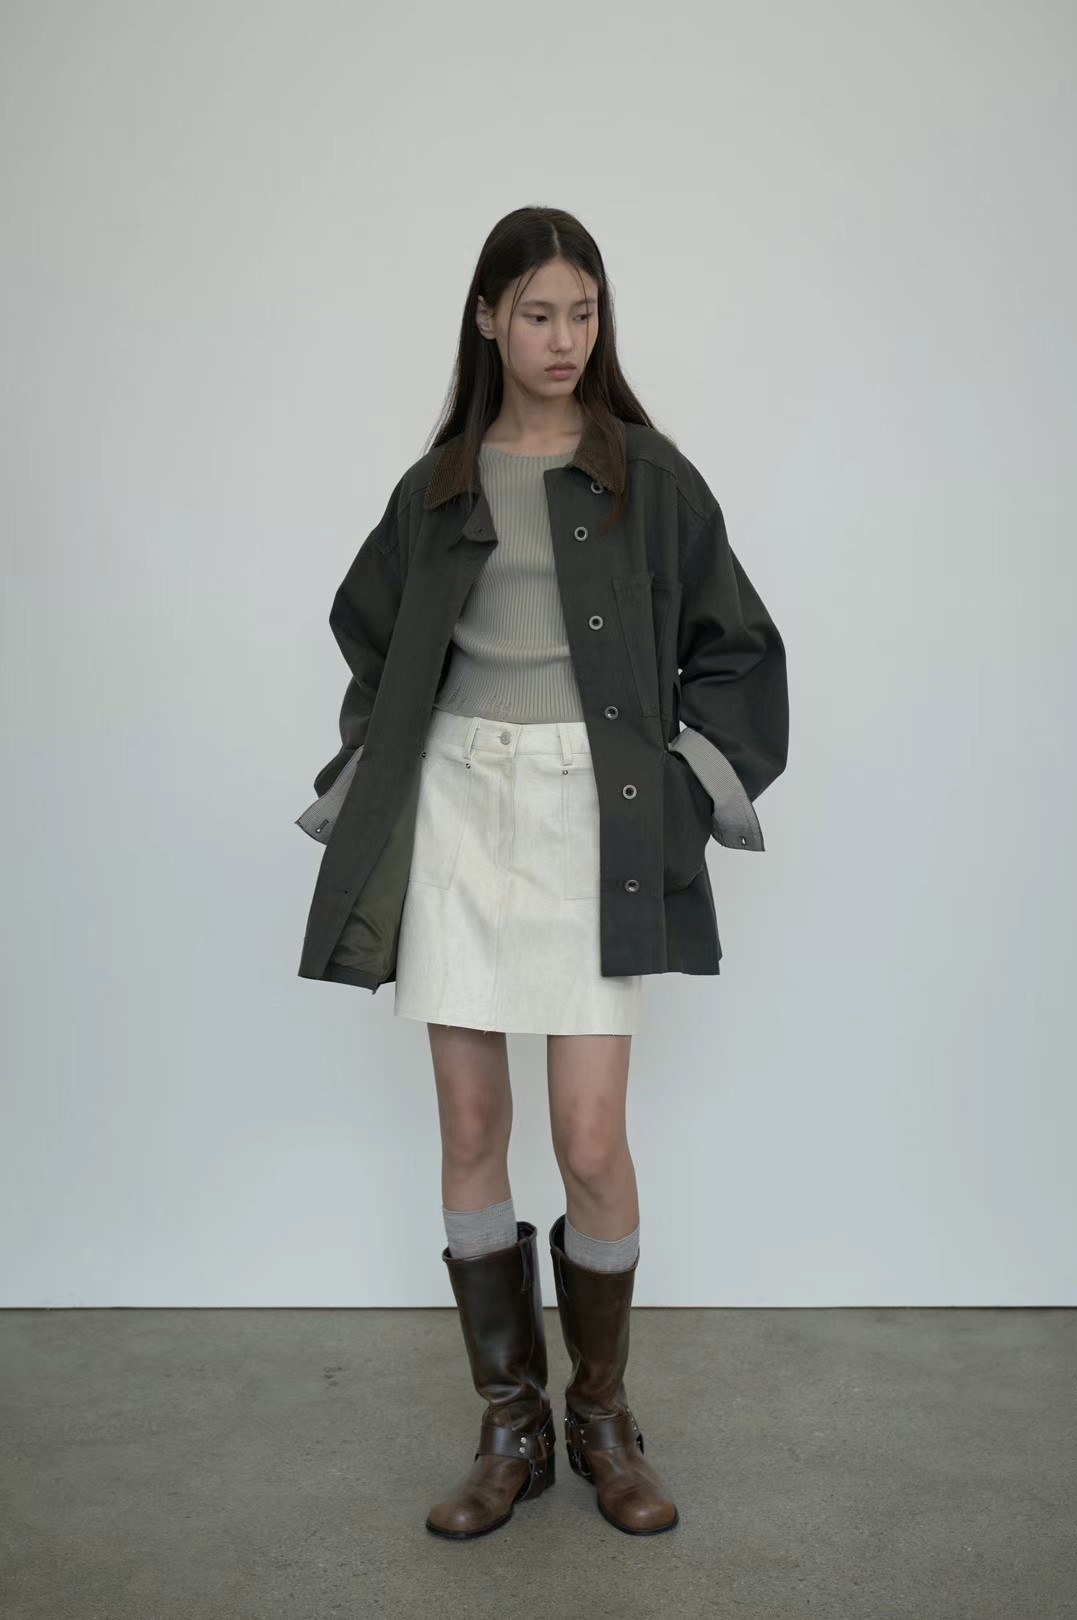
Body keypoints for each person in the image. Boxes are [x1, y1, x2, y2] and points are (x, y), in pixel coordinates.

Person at [300, 206, 788, 1540]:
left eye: (582, 312)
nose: (563, 338)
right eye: (536, 314)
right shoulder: (439, 486)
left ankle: (604, 1418)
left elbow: (739, 646)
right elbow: (372, 638)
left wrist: (678, 787)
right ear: (487, 321)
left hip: (594, 820)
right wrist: (384, 767)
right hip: (461, 809)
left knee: (587, 1136)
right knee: (469, 1126)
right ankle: (508, 1425)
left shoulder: (650, 478)